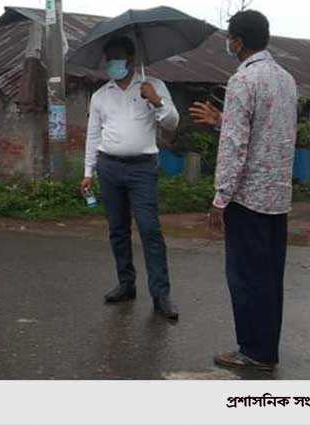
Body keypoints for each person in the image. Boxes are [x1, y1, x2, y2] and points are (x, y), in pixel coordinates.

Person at [190, 10, 297, 372]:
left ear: (236, 41)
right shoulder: (287, 80)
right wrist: (221, 120)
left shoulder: (242, 81)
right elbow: (267, 133)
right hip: (277, 198)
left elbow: (236, 145)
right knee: (269, 277)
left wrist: (221, 197)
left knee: (246, 278)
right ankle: (267, 348)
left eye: (229, 38)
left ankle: (253, 351)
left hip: (248, 199)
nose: (228, 43)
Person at [80, 36, 180, 321]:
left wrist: (156, 101)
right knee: (118, 229)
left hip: (142, 169)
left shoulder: (153, 86)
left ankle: (161, 295)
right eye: (108, 58)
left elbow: (173, 123)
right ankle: (126, 284)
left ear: (131, 60)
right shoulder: (100, 95)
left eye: (117, 57)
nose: (112, 63)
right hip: (109, 167)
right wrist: (88, 172)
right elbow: (93, 135)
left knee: (149, 229)